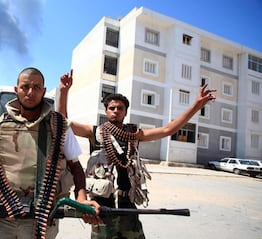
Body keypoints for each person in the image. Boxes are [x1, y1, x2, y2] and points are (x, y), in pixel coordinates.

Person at [0, 67, 102, 239]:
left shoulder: (59, 125)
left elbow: (76, 167)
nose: (30, 92)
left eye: (37, 87)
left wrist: (81, 198)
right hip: (1, 215)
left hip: (41, 219)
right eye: (25, 87)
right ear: (17, 90)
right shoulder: (3, 124)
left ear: (44, 91)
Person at [58, 70, 216, 239]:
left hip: (128, 205)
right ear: (106, 111)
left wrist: (196, 106)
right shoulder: (95, 132)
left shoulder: (134, 135)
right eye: (112, 108)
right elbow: (63, 122)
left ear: (126, 112)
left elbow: (168, 129)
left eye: (120, 108)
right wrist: (63, 92)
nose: (115, 111)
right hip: (102, 204)